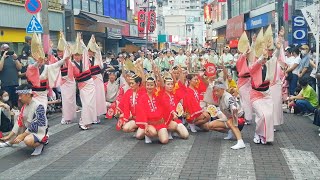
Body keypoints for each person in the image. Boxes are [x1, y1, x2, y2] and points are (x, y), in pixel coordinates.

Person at [0, 84, 48, 156]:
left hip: (39, 130)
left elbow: (38, 124)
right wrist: (9, 136)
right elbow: (19, 121)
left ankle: (40, 144)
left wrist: (23, 135)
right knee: (19, 125)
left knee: (27, 141)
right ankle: (9, 142)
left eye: (20, 95)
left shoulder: (38, 105)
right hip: (28, 128)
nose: (19, 98)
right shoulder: (25, 105)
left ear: (28, 95)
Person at [71, 33, 97, 130]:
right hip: (82, 85)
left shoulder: (85, 61)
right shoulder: (72, 64)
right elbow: (72, 76)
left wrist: (81, 40)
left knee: (91, 103)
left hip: (90, 83)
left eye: (79, 55)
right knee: (86, 104)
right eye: (76, 55)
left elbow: (86, 50)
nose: (77, 57)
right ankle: (83, 121)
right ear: (73, 55)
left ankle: (89, 121)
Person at [210, 81, 246, 150]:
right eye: (215, 91)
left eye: (217, 91)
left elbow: (234, 108)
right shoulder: (220, 96)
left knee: (230, 122)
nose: (216, 93)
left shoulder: (227, 97)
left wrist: (234, 123)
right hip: (229, 117)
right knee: (209, 125)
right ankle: (230, 132)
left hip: (239, 119)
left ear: (223, 89)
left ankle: (240, 141)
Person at [136, 74, 169, 144]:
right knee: (141, 135)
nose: (149, 87)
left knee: (165, 141)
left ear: (155, 86)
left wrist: (158, 73)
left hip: (159, 122)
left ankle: (158, 133)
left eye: (151, 85)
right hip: (149, 123)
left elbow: (163, 87)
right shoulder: (142, 98)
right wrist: (145, 125)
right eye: (148, 85)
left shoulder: (158, 95)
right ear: (145, 86)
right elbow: (142, 112)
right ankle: (148, 134)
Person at [58, 32, 77, 125]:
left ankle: (70, 116)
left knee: (71, 100)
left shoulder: (70, 62)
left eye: (61, 51)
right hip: (63, 82)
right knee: (65, 100)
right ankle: (65, 117)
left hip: (70, 81)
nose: (60, 53)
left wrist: (63, 39)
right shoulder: (57, 60)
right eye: (58, 51)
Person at [87, 35, 105, 123]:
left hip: (98, 79)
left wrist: (94, 44)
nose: (89, 52)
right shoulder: (85, 60)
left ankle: (97, 115)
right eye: (88, 51)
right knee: (91, 98)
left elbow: (101, 66)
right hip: (90, 80)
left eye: (91, 51)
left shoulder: (97, 59)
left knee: (98, 98)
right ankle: (91, 116)